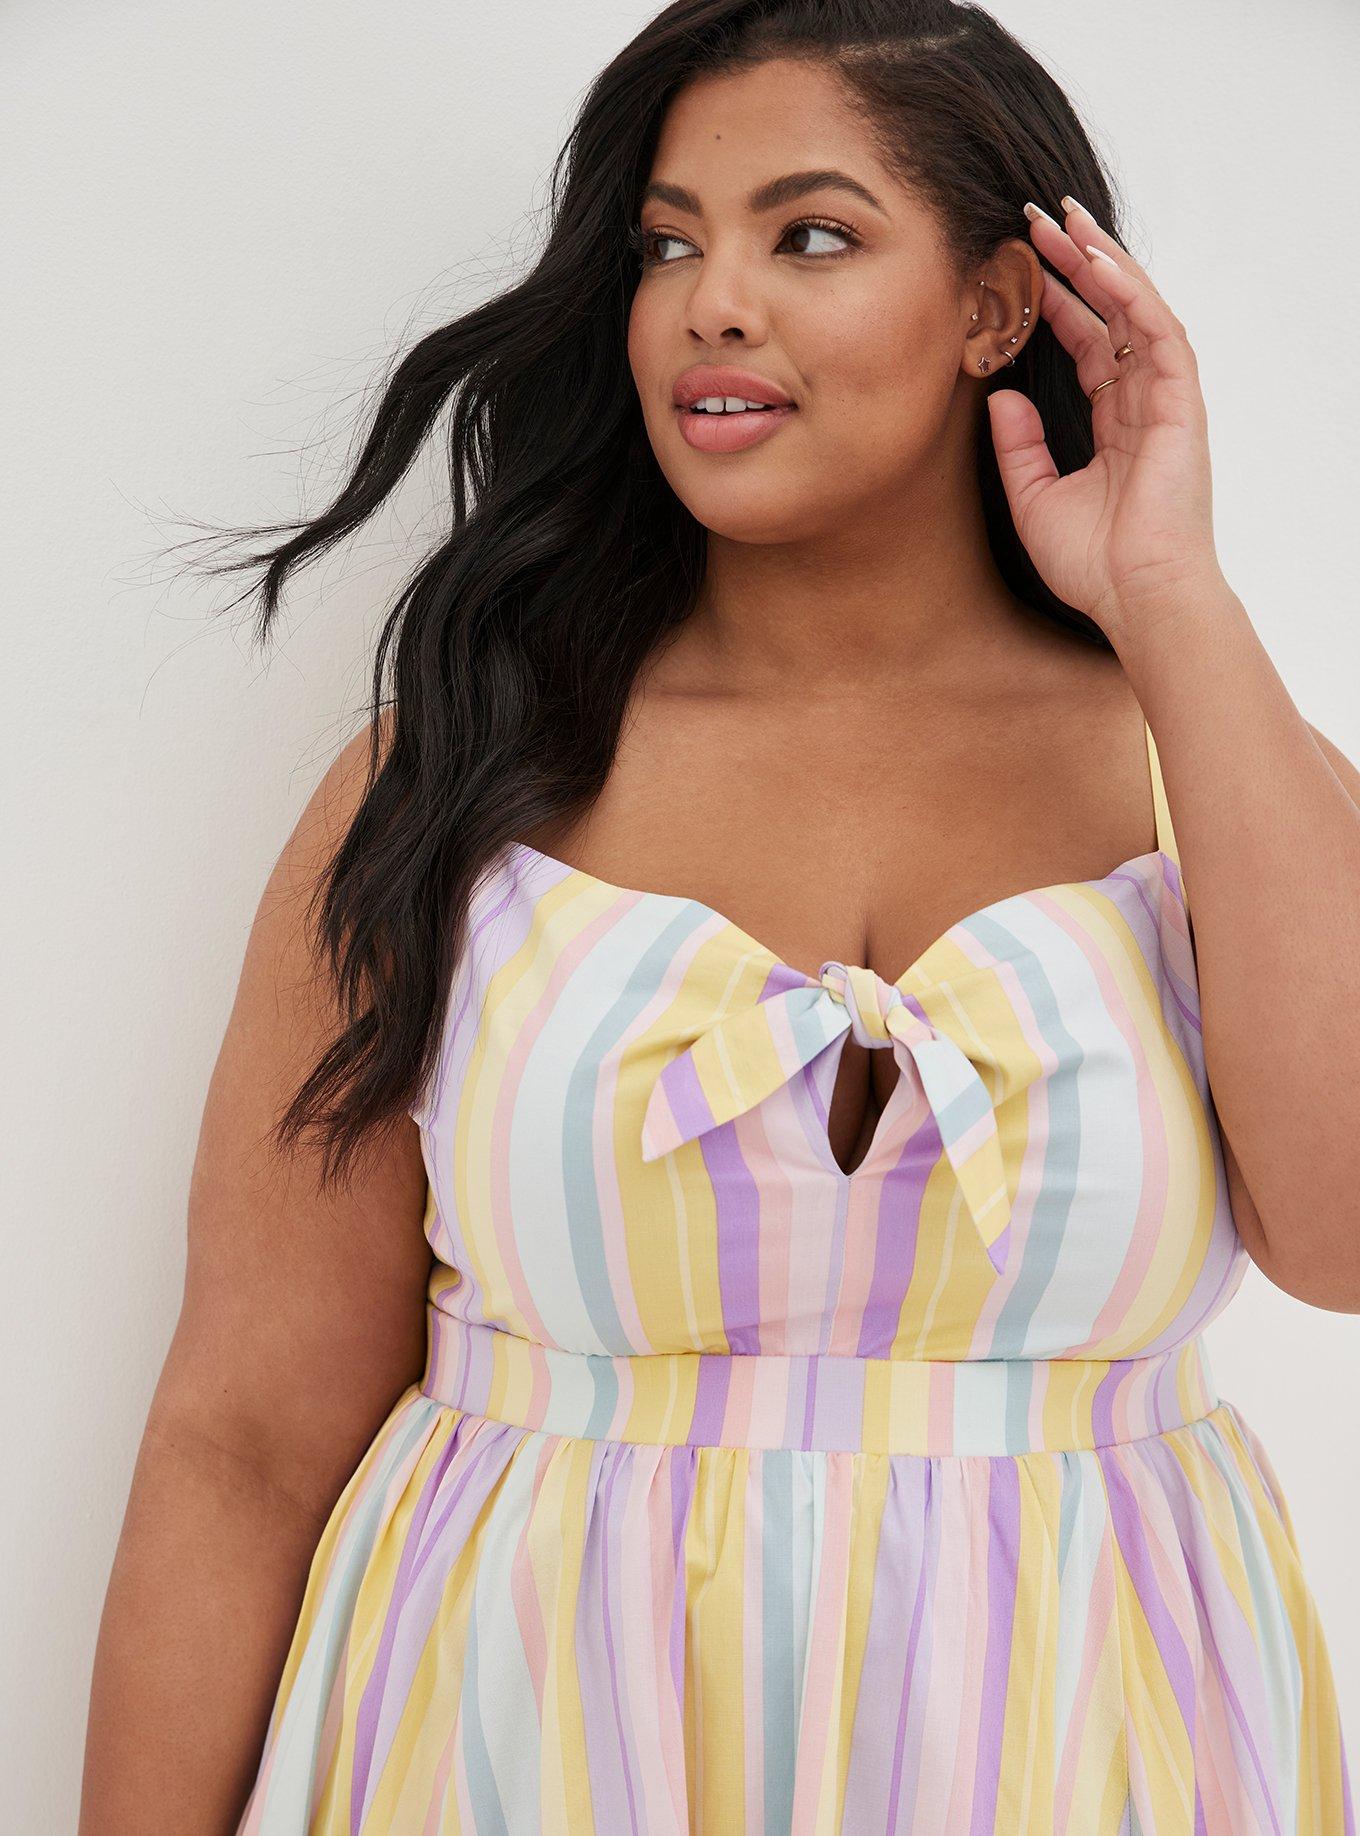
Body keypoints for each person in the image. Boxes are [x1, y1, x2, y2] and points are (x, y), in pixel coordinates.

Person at [81, 2, 1359, 1830]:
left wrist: (1172, 596)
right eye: (667, 244)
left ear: (998, 305)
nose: (713, 303)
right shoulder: (455, 779)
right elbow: (244, 1445)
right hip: (514, 1757)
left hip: (1083, 1755)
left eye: (809, 235)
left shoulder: (1204, 767)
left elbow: (1348, 1235)